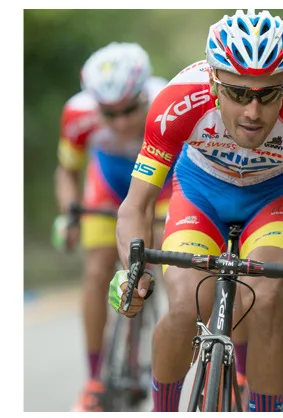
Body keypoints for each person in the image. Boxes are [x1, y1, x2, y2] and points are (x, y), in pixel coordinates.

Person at [107, 9, 283, 412]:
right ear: (214, 83)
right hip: (201, 193)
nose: (252, 112)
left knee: (268, 299)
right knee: (184, 306)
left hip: (276, 197)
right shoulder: (178, 101)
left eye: (267, 94)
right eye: (238, 93)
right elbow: (138, 203)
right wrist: (132, 271)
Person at [52, 42, 171, 412]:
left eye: (130, 109)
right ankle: (93, 380)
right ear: (94, 104)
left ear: (144, 93)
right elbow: (67, 171)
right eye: (109, 113)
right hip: (107, 187)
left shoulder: (167, 102)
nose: (120, 122)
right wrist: (70, 213)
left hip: (163, 188)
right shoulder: (77, 114)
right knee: (96, 269)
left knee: (175, 268)